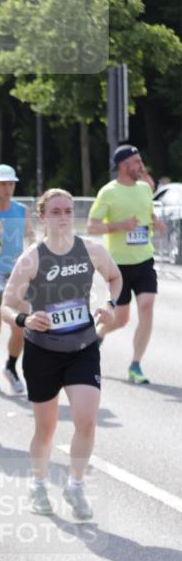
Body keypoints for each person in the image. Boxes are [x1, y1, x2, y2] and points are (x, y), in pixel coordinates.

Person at [2, 189, 122, 519]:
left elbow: (114, 277)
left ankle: (76, 485)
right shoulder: (31, 258)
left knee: (86, 418)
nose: (63, 216)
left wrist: (110, 304)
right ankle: (38, 485)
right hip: (42, 351)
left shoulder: (91, 250)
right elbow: (7, 306)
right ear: (42, 217)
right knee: (46, 428)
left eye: (68, 210)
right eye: (55, 211)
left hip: (82, 348)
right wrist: (26, 320)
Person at [87, 145, 164, 384]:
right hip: (119, 266)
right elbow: (92, 226)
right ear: (123, 165)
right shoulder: (108, 192)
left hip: (144, 260)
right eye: (136, 161)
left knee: (147, 306)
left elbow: (148, 213)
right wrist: (119, 226)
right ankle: (99, 334)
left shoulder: (144, 188)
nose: (141, 165)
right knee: (120, 319)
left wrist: (156, 221)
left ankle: (135, 365)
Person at [0, 164, 35, 393]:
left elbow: (31, 236)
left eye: (11, 184)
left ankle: (11, 367)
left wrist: (29, 254)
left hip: (17, 277)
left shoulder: (21, 210)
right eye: (3, 183)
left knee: (20, 326)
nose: (7, 188)